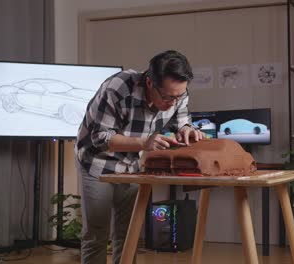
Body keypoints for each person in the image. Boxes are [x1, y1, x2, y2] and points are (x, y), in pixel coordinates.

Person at [74, 50, 203, 264]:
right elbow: (100, 137)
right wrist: (145, 143)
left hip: (132, 164)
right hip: (97, 161)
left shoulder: (178, 93)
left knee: (128, 233)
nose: (173, 102)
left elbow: (182, 120)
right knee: (97, 233)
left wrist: (187, 129)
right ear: (150, 83)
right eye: (168, 97)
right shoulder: (118, 88)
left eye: (179, 96)